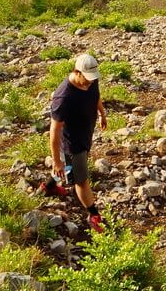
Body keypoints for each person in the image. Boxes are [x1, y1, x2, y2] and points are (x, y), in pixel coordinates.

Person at [40, 52, 108, 232]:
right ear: (76, 72)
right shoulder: (64, 97)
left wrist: (102, 113)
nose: (90, 82)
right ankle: (93, 214)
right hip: (71, 143)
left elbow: (96, 96)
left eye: (93, 79)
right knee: (81, 179)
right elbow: (54, 131)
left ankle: (48, 187)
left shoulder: (91, 79)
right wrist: (56, 160)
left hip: (85, 134)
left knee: (68, 169)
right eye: (87, 79)